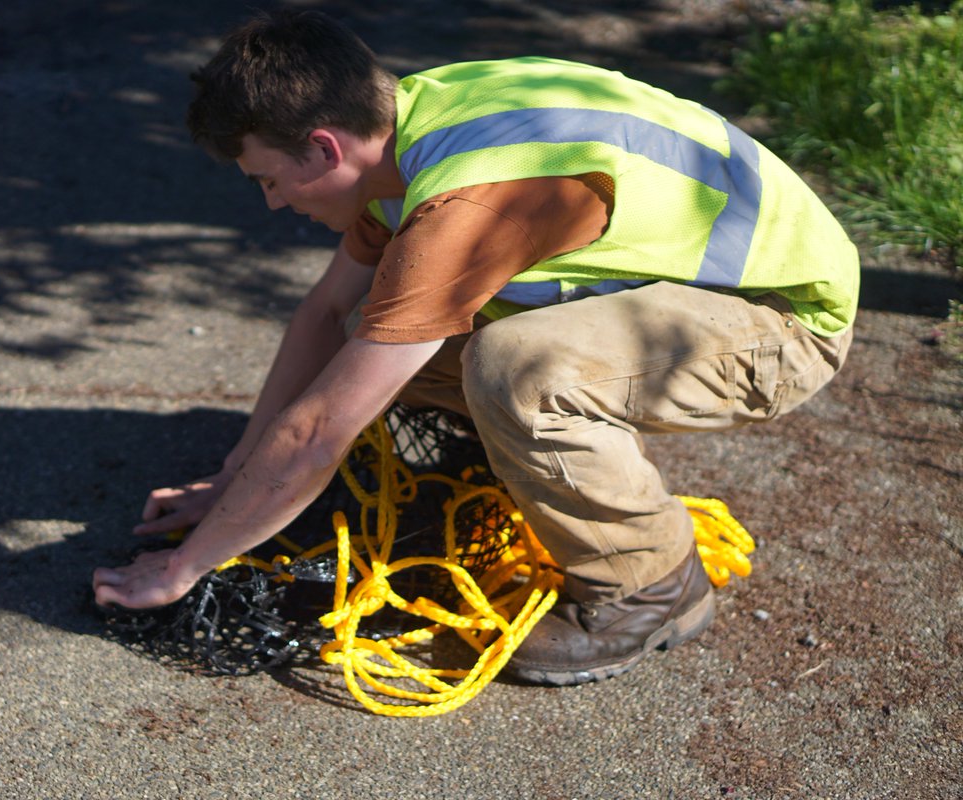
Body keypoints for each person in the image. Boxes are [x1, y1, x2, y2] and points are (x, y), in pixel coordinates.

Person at [92, 9, 858, 686]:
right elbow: (326, 313)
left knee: (515, 374)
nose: (272, 203)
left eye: (267, 180)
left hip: (780, 320)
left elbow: (322, 426)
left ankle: (650, 583)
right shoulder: (406, 127)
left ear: (323, 149)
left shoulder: (465, 196)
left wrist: (188, 566)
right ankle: (535, 462)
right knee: (384, 350)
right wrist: (232, 479)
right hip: (684, 292)